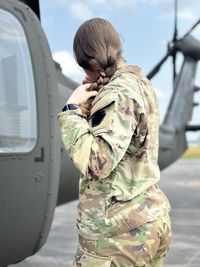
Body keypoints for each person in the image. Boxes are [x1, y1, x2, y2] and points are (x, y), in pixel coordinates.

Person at [57, 18, 171, 267]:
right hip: (145, 223)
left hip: (119, 237)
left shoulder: (116, 93)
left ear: (86, 59)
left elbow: (97, 164)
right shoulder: (141, 84)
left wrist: (71, 112)